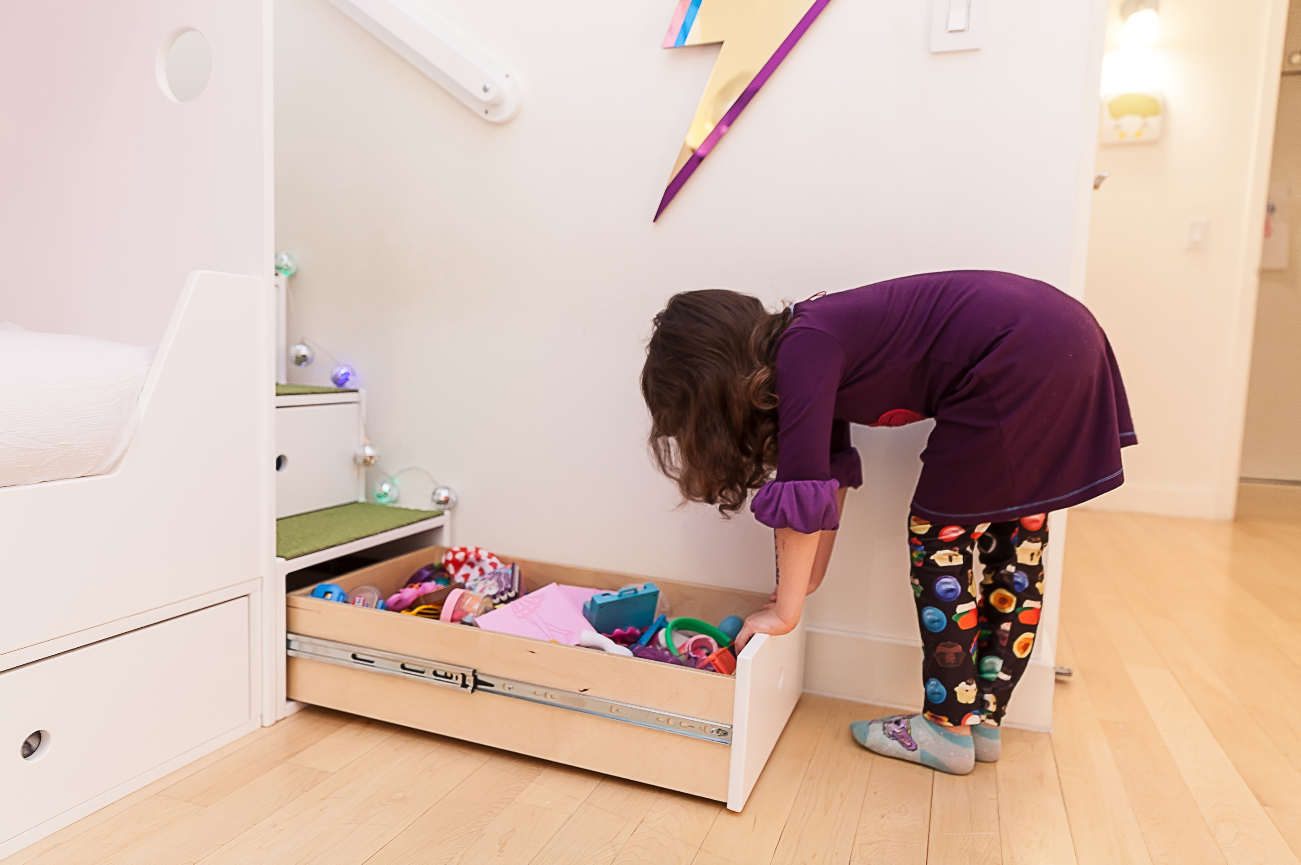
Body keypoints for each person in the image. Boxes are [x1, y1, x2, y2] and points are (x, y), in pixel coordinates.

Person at [640, 271, 1135, 775]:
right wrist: (804, 582)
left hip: (1020, 352)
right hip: (1065, 337)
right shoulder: (814, 341)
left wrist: (784, 614)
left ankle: (945, 729)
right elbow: (830, 476)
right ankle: (981, 717)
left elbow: (803, 488)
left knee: (939, 535)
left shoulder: (803, 348)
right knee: (1017, 540)